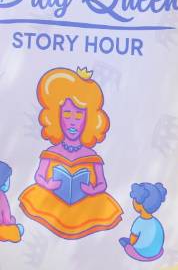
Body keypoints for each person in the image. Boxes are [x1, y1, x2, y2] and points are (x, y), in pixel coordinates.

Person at [19, 67, 123, 240]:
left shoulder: (92, 157)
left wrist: (93, 189)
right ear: (55, 116)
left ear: (90, 119)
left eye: (79, 115)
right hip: (52, 201)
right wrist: (47, 184)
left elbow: (102, 184)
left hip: (84, 205)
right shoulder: (50, 153)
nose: (73, 122)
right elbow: (39, 176)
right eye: (67, 114)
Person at [120, 182, 167, 261]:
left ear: (140, 205)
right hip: (157, 251)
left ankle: (139, 253)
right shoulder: (156, 222)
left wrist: (130, 243)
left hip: (142, 253)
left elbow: (132, 240)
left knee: (127, 246)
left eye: (134, 200)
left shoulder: (139, 222)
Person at [0, 161, 23, 243]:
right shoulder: (1, 196)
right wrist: (12, 221)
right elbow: (7, 220)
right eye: (7, 179)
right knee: (19, 229)